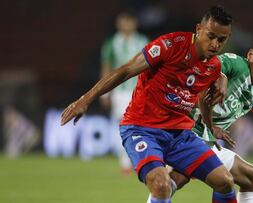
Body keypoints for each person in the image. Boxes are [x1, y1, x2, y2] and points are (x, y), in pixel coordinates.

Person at [61, 5, 239, 203]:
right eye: (211, 36)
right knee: (161, 185)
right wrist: (86, 99)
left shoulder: (213, 67)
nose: (215, 44)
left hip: (179, 134)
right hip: (142, 128)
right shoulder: (171, 45)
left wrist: (209, 125)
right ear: (198, 29)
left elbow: (202, 100)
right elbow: (126, 70)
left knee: (224, 181)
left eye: (221, 39)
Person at [148, 32, 253, 203]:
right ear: (251, 54)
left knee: (249, 176)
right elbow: (209, 67)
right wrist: (221, 76)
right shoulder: (236, 64)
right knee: (171, 182)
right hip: (186, 134)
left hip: (206, 140)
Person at [100, 12, 148, 173]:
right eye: (122, 21)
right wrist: (105, 93)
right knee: (122, 125)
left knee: (140, 125)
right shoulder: (111, 43)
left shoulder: (143, 41)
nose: (125, 24)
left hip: (139, 90)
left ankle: (139, 158)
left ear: (134, 23)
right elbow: (107, 67)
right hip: (119, 92)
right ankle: (125, 162)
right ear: (118, 24)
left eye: (129, 21)